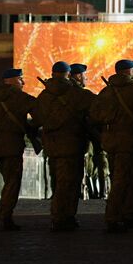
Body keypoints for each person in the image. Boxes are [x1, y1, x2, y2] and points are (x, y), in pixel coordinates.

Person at [89, 60, 133, 232]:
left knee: (123, 177)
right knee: (124, 179)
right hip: (130, 141)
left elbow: (94, 115)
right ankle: (113, 216)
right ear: (131, 71)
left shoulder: (105, 92)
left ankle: (129, 213)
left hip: (110, 142)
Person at [28, 61, 96, 231]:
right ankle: (63, 217)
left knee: (58, 182)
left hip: (51, 146)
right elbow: (97, 108)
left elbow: (36, 119)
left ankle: (60, 215)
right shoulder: (76, 94)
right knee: (70, 183)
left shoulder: (44, 96)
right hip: (72, 145)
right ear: (68, 74)